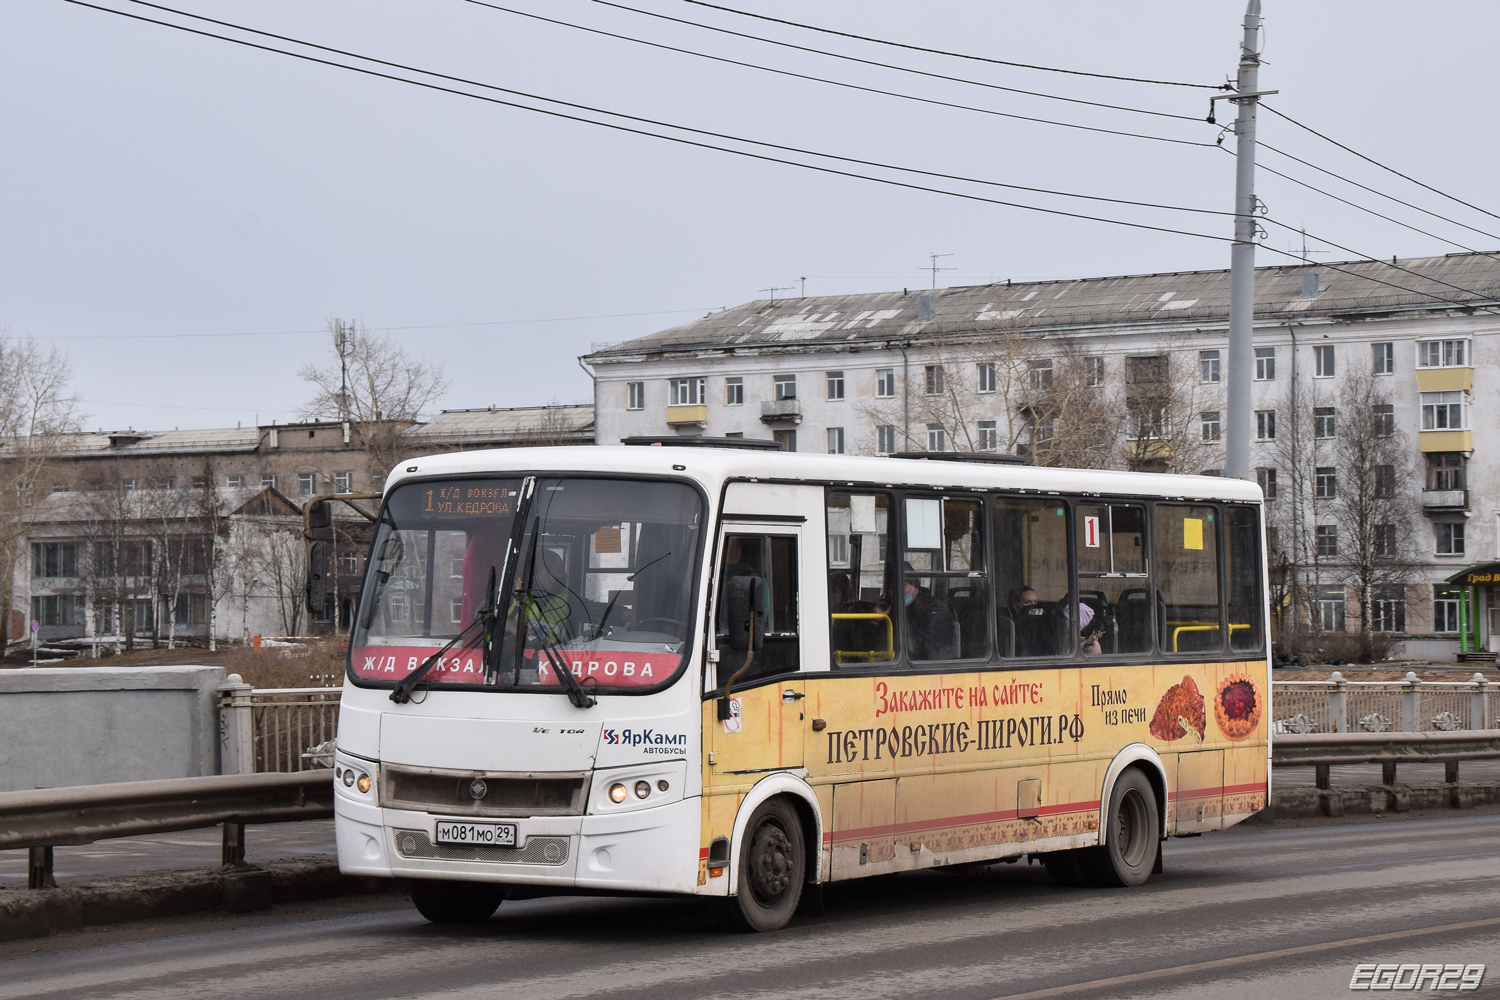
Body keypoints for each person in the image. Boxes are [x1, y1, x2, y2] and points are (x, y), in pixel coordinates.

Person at [903, 562, 959, 660]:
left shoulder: (935, 610)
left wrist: (894, 646)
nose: (899, 591)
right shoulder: (899, 607)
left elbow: (921, 646)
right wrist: (876, 621)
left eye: (904, 585)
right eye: (892, 587)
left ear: (916, 587)